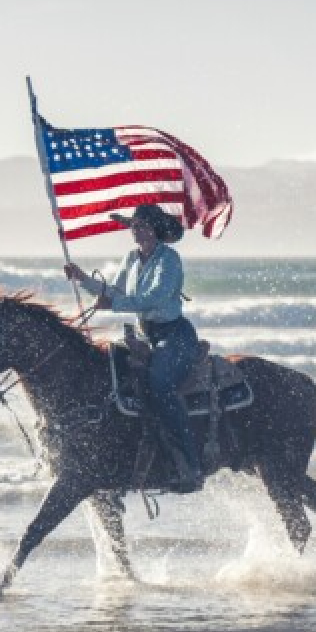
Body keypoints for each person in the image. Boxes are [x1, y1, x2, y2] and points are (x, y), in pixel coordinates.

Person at [64, 203, 203, 492]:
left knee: (160, 383)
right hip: (145, 334)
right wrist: (82, 278)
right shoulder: (132, 257)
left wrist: (113, 304)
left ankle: (190, 463)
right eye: (134, 226)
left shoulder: (169, 260)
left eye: (141, 225)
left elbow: (153, 298)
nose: (136, 230)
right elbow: (114, 291)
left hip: (174, 335)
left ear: (154, 229)